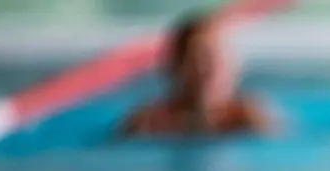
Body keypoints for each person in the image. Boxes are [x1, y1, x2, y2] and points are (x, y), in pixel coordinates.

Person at [122, 2, 293, 137]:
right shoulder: (150, 123)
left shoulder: (249, 119)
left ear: (234, 68)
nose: (208, 70)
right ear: (174, 67)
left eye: (216, 59)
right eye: (196, 60)